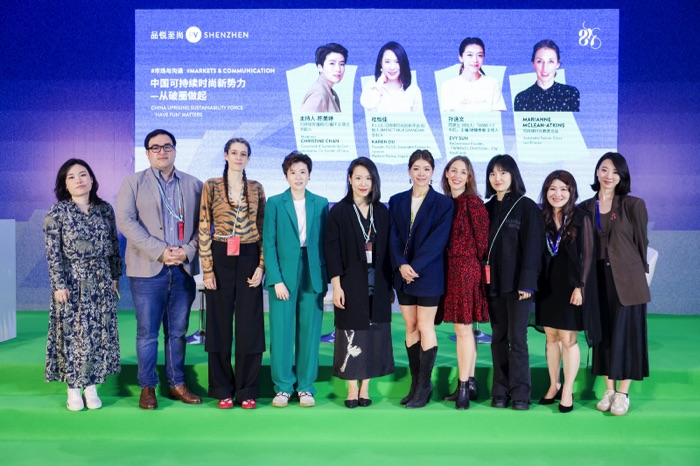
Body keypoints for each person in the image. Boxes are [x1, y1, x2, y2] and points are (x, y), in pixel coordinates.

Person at [116, 129, 203, 410]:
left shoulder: (194, 184)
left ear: (175, 150)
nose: (162, 151)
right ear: (147, 153)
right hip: (147, 269)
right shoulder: (133, 183)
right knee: (147, 333)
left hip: (182, 270)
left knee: (177, 332)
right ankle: (147, 386)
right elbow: (126, 222)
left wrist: (188, 250)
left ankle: (177, 383)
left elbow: (205, 226)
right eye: (155, 147)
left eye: (167, 146)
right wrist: (160, 250)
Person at [43, 159, 122, 411]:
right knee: (74, 335)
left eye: (83, 174)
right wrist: (58, 284)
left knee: (98, 334)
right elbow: (53, 253)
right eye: (71, 177)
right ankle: (73, 388)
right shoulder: (57, 213)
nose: (78, 180)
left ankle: (91, 385)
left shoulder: (105, 209)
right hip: (72, 282)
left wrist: (115, 276)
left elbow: (113, 245)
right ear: (64, 185)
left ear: (91, 179)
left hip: (101, 280)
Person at [579, 153, 650, 416]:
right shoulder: (585, 207)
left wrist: (637, 275)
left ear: (622, 176)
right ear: (597, 172)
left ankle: (623, 393)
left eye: (616, 172)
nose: (609, 176)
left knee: (627, 335)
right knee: (603, 334)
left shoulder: (633, 205)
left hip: (627, 281)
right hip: (597, 280)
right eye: (604, 170)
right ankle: (609, 389)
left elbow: (642, 243)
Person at [199, 138, 266, 409]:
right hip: (220, 255)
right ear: (226, 155)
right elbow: (204, 226)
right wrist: (207, 270)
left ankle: (247, 389)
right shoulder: (212, 186)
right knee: (218, 324)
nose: (239, 157)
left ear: (249, 158)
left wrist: (261, 266)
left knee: (250, 325)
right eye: (234, 153)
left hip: (249, 256)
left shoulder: (256, 188)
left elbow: (263, 228)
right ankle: (222, 389)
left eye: (243, 154)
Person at [325, 157, 395, 408]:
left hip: (379, 281)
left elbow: (390, 250)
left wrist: (391, 286)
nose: (363, 183)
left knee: (374, 334)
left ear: (374, 181)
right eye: (358, 178)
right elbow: (331, 251)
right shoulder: (339, 211)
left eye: (368, 178)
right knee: (350, 331)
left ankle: (365, 387)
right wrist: (336, 286)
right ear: (349, 179)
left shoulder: (382, 211)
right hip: (350, 281)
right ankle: (351, 387)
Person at [389, 149, 453, 409]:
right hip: (403, 273)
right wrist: (401, 264)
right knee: (411, 326)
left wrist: (413, 267)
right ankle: (415, 384)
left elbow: (438, 241)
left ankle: (425, 385)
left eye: (426, 169)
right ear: (409, 171)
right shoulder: (396, 200)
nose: (421, 173)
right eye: (416, 168)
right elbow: (392, 236)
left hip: (428, 274)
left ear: (433, 172)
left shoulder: (444, 203)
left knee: (426, 326)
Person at [263, 151, 328, 408]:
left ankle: (305, 387)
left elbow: (326, 243)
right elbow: (269, 243)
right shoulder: (275, 203)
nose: (298, 177)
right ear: (286, 175)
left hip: (312, 272)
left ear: (309, 175)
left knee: (310, 332)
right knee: (281, 331)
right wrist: (276, 279)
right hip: (283, 274)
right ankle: (282, 387)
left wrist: (326, 279)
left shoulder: (321, 203)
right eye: (293, 172)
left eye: (303, 172)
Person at [535, 170, 600, 413]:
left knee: (568, 339)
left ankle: (567, 390)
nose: (557, 194)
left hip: (571, 287)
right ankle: (554, 384)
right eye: (552, 188)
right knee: (551, 337)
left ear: (571, 192)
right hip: (546, 286)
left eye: (563, 189)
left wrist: (580, 286)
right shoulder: (540, 217)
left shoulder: (581, 218)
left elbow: (588, 256)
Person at [484, 154, 544, 410]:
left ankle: (521, 393)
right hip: (492, 284)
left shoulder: (527, 207)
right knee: (498, 337)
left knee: (517, 338)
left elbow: (533, 248)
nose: (497, 178)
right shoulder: (486, 208)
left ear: (513, 176)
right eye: (492, 173)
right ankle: (500, 390)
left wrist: (527, 284)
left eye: (503, 173)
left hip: (518, 286)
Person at [439, 156, 490, 409]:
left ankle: (462, 387)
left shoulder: (473, 203)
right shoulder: (445, 203)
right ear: (446, 174)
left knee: (463, 330)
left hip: (466, 270)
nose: (457, 176)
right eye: (453, 170)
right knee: (464, 330)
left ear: (469, 177)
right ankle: (469, 382)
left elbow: (483, 243)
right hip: (450, 270)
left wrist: (470, 266)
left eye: (463, 171)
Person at [440, 37, 506, 112]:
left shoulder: (493, 84)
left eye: (479, 55)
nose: (475, 60)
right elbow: (447, 118)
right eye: (469, 55)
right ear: (461, 58)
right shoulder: (448, 86)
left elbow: (496, 117)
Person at [514, 39, 580, 112]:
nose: (545, 68)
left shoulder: (570, 94)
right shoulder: (522, 98)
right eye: (539, 61)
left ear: (557, 64)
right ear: (533, 64)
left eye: (551, 61)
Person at [360, 41, 423, 113]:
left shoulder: (413, 89)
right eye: (387, 62)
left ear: (403, 63)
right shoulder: (371, 86)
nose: (392, 67)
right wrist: (380, 81)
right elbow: (369, 105)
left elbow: (418, 118)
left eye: (397, 62)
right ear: (381, 63)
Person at [301, 43, 348, 112]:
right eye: (332, 63)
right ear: (320, 67)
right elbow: (306, 118)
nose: (338, 69)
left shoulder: (331, 93)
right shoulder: (318, 94)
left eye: (341, 64)